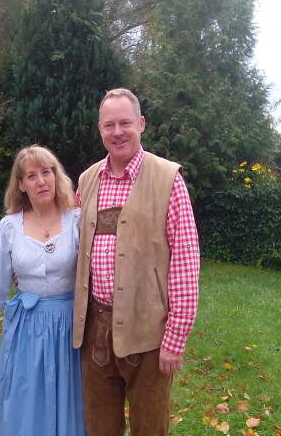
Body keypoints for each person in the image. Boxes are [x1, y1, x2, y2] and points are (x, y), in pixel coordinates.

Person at [73, 88, 200, 436]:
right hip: (95, 331)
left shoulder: (168, 179)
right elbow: (71, 246)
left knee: (150, 428)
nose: (118, 132)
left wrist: (175, 339)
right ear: (100, 129)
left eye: (125, 123)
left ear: (141, 124)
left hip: (150, 334)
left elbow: (185, 264)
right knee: (99, 428)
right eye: (109, 125)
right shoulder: (87, 181)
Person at [0, 145, 85, 436]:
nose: (41, 181)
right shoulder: (9, 227)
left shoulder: (78, 220)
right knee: (25, 404)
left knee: (70, 404)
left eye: (47, 172)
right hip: (26, 330)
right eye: (31, 176)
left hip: (70, 329)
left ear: (56, 176)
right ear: (20, 184)